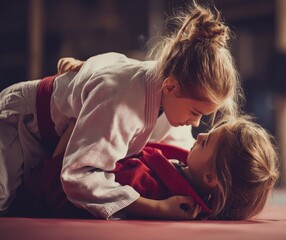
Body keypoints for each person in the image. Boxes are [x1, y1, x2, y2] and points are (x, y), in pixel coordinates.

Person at [0, 1, 243, 219]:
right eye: (195, 112)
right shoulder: (122, 99)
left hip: (50, 143)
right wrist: (157, 208)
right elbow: (79, 176)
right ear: (170, 86)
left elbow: (185, 154)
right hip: (21, 126)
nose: (195, 124)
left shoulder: (164, 87)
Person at [7, 115, 279, 220]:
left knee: (82, 110)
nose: (200, 135)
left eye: (207, 143)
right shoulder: (183, 171)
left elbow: (63, 189)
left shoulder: (150, 186)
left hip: (44, 184)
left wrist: (80, 122)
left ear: (210, 177)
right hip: (55, 174)